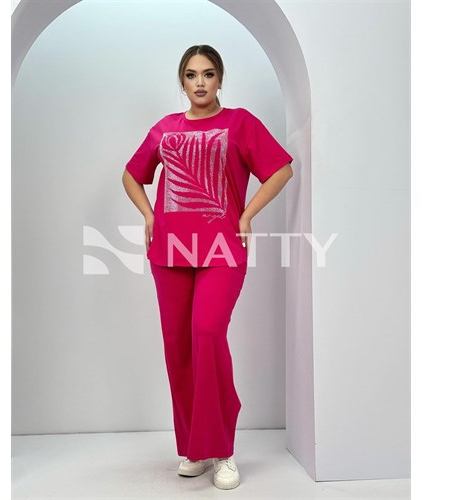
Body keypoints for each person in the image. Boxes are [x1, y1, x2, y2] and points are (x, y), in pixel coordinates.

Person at [122, 44, 293, 490]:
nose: (200, 82)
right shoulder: (165, 129)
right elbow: (131, 175)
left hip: (222, 249)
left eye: (209, 74)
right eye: (192, 75)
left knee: (207, 333)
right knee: (178, 347)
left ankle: (223, 450)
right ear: (182, 82)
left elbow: (280, 169)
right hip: (169, 251)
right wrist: (149, 215)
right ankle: (195, 448)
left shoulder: (240, 123)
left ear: (220, 79)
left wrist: (247, 214)